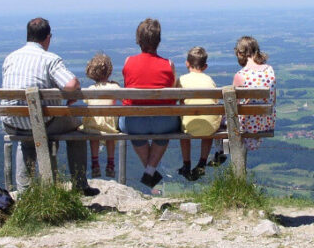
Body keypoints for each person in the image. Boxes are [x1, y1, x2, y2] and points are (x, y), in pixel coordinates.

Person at [1, 17, 99, 196]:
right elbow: (70, 84)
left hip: (11, 122)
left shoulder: (10, 58)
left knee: (27, 140)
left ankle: (24, 193)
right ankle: (80, 184)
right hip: (42, 122)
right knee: (77, 129)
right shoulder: (50, 59)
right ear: (47, 37)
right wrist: (71, 93)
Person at [119, 18, 179, 188]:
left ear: (138, 39)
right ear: (158, 40)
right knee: (164, 133)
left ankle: (149, 170)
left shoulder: (128, 62)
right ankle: (150, 170)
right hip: (164, 123)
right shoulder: (169, 64)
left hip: (134, 122)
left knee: (134, 130)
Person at [176, 46, 221, 181]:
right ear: (205, 66)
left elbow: (178, 101)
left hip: (188, 126)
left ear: (187, 63)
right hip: (210, 127)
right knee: (209, 121)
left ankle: (186, 164)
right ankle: (202, 162)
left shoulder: (182, 79)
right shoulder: (209, 80)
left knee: (183, 129)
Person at [232, 36, 276, 150]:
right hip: (266, 122)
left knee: (224, 121)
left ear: (240, 54)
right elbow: (273, 99)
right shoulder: (269, 70)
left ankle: (224, 151)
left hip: (247, 124)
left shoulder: (240, 75)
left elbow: (232, 106)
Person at [80, 52, 120, 178]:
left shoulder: (90, 89)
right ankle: (111, 163)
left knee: (94, 135)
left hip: (92, 125)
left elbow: (86, 102)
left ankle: (95, 162)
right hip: (109, 126)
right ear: (109, 71)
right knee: (110, 136)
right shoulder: (114, 86)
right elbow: (122, 97)